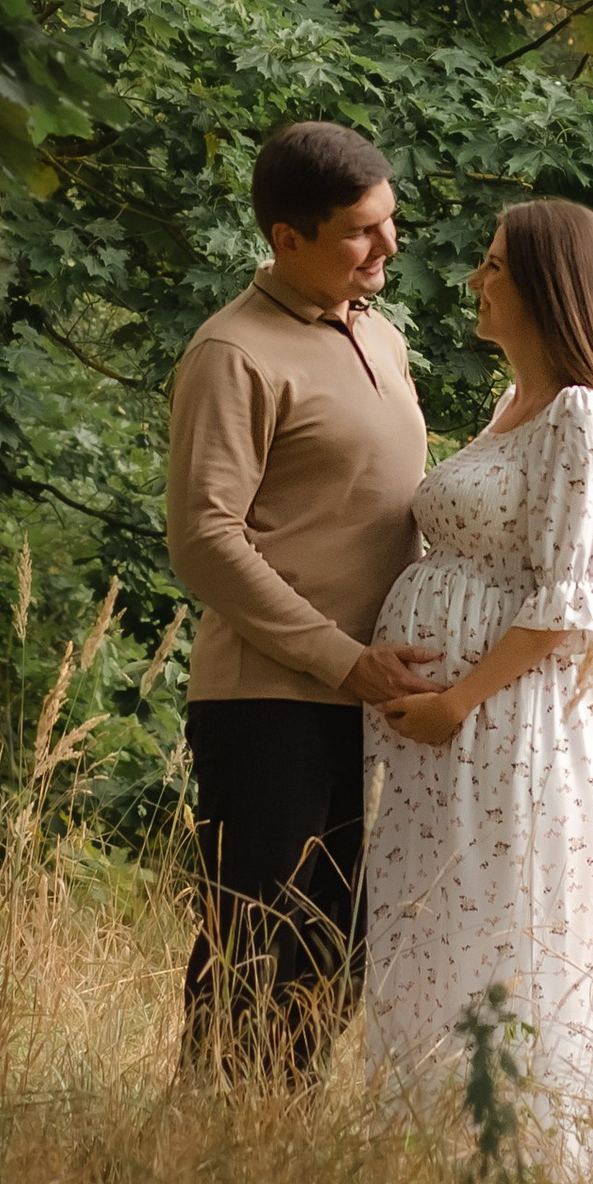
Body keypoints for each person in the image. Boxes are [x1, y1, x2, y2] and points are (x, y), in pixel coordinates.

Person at [363, 197, 593, 1179]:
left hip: (507, 726)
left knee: (503, 919)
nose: (475, 280)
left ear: (543, 286)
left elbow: (567, 601)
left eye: (494, 265)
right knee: (440, 922)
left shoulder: (581, 414)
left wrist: (458, 698)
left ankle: (525, 1159)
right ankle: (433, 1141)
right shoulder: (512, 407)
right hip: (453, 733)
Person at [165, 119, 439, 1077]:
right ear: (288, 239)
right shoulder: (233, 352)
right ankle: (214, 1153)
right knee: (253, 942)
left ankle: (279, 1149)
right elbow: (204, 539)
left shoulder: (382, 337)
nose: (389, 245)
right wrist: (339, 655)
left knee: (337, 945)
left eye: (389, 221)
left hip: (369, 703)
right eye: (361, 230)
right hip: (267, 698)